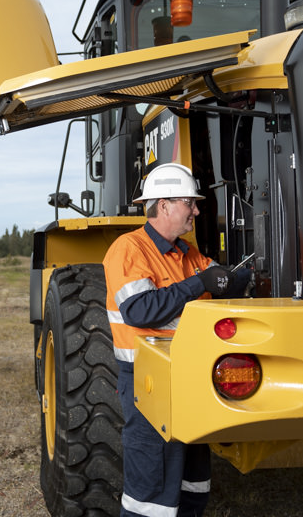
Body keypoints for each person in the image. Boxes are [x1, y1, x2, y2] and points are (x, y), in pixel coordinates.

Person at [102, 162, 251, 517]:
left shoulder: (188, 253)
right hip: (149, 384)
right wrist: (199, 283)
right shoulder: (128, 249)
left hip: (190, 380)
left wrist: (241, 278)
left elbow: (217, 285)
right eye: (190, 203)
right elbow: (139, 310)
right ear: (164, 205)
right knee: (151, 496)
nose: (196, 211)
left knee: (192, 485)